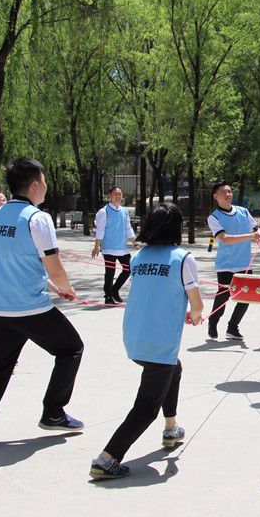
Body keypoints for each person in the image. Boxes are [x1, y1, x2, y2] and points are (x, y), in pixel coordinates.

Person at [0, 157, 84, 452]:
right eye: (43, 180)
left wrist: (53, 286)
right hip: (30, 308)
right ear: (34, 184)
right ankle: (53, 412)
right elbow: (52, 263)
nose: (46, 186)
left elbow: (13, 262)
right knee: (71, 348)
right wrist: (66, 287)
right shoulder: (37, 218)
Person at [90, 203, 204, 480]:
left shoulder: (139, 257)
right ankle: (106, 459)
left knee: (174, 369)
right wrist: (195, 315)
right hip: (159, 342)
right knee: (146, 408)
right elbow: (197, 305)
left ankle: (171, 428)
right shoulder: (183, 258)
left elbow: (152, 293)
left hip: (134, 336)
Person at [206, 181, 260, 341]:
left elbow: (255, 227)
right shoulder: (213, 217)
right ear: (215, 196)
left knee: (246, 297)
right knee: (223, 296)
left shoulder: (243, 211)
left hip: (245, 263)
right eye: (224, 192)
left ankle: (232, 327)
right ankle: (213, 322)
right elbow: (224, 238)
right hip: (226, 265)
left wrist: (258, 234)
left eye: (230, 191)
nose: (228, 194)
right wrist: (250, 236)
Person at [91, 186, 136, 304]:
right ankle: (108, 296)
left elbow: (128, 228)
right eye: (116, 194)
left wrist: (135, 243)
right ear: (109, 196)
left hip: (122, 248)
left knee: (129, 269)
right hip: (109, 248)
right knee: (110, 273)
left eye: (120, 194)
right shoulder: (103, 212)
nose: (118, 196)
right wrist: (97, 247)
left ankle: (114, 290)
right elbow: (100, 230)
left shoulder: (124, 211)